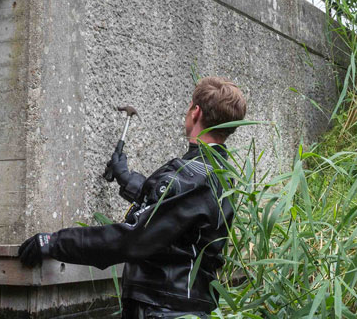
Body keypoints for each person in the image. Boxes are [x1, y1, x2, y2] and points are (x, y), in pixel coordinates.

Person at [19, 77, 248, 319]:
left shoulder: (191, 176)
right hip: (183, 307)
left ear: (196, 112)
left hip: (164, 310)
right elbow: (170, 215)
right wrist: (126, 178)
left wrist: (54, 242)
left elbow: (132, 238)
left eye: (189, 105)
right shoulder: (218, 174)